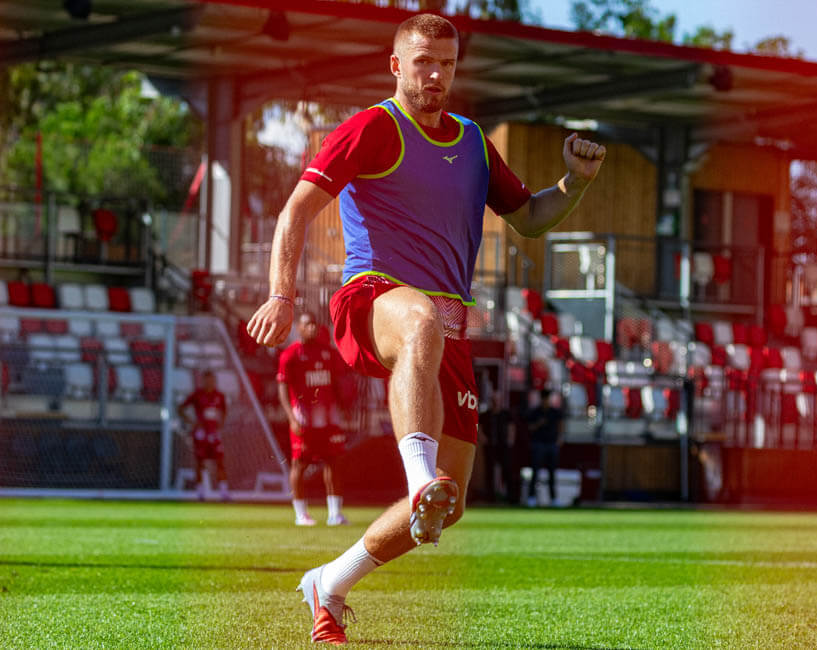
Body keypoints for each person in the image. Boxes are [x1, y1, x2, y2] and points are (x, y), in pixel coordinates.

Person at [245, 13, 605, 645]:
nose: (435, 75)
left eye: (446, 64)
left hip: (445, 331)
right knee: (419, 322)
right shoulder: (371, 128)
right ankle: (418, 474)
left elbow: (529, 218)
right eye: (422, 62)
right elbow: (297, 208)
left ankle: (330, 582)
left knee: (451, 504)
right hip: (372, 299)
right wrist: (281, 294)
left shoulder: (473, 142)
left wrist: (575, 182)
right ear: (396, 65)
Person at [277, 311, 350, 527]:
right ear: (298, 327)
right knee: (299, 464)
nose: (312, 328)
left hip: (328, 418)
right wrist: (291, 417)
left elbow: (337, 383)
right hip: (303, 419)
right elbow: (282, 388)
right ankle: (301, 515)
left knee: (334, 462)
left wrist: (343, 408)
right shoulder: (290, 355)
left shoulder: (328, 353)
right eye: (307, 324)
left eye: (314, 324)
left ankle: (335, 514)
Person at [178, 369, 230, 501]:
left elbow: (224, 411)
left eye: (212, 380)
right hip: (201, 434)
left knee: (220, 461)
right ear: (203, 381)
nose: (209, 383)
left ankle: (224, 493)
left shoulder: (219, 395)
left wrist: (221, 423)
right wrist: (192, 422)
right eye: (207, 380)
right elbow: (181, 408)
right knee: (200, 462)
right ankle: (200, 493)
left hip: (214, 433)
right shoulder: (197, 395)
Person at [525, 388, 565, 507]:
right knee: (535, 471)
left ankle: (553, 499)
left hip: (551, 444)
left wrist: (559, 439)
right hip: (538, 443)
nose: (545, 401)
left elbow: (561, 425)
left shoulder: (555, 412)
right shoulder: (535, 412)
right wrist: (539, 423)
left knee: (552, 472)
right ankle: (531, 497)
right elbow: (530, 427)